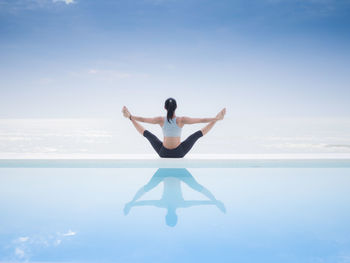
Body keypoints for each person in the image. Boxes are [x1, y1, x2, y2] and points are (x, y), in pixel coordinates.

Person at [122, 97, 226, 158]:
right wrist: (215, 119)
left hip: (163, 152)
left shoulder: (160, 120)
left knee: (149, 135)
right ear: (176, 107)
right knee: (196, 135)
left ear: (164, 107)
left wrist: (131, 116)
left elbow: (143, 119)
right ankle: (217, 119)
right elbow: (201, 120)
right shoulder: (181, 120)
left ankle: (129, 118)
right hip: (179, 152)